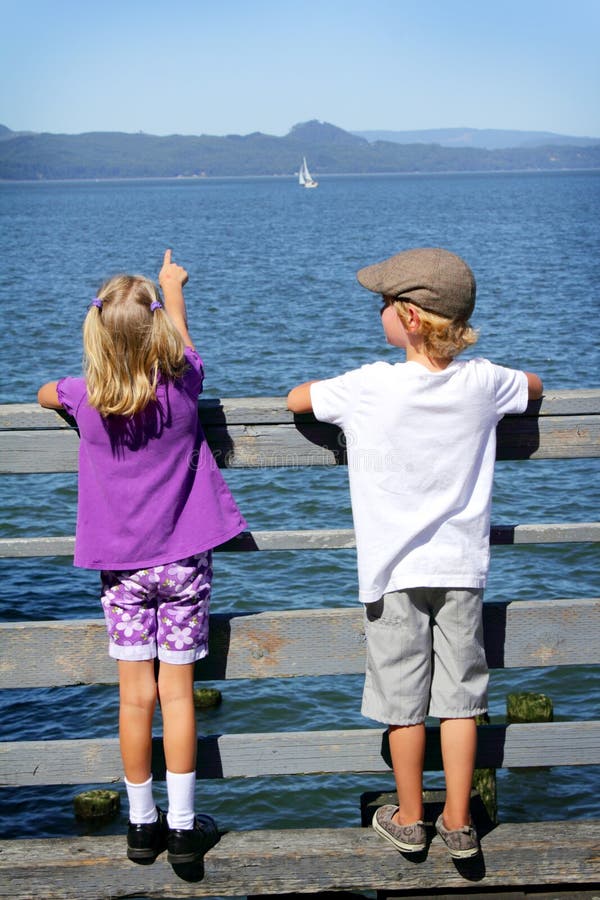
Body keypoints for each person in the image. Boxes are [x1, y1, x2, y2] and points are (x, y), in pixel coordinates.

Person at [287, 247, 543, 860]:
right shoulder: (483, 382)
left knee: (403, 704)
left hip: (392, 571)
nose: (378, 312)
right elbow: (533, 386)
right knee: (460, 701)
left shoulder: (368, 386)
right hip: (461, 569)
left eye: (383, 304)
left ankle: (408, 815)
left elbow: (298, 400)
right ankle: (458, 820)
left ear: (408, 318)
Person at [38, 250, 247, 868]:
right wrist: (172, 290)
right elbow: (184, 347)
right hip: (183, 562)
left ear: (95, 333)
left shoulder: (84, 396)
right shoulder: (183, 385)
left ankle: (139, 826)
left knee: (135, 699)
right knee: (178, 697)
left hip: (123, 571)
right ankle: (183, 830)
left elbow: (46, 390)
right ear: (157, 329)